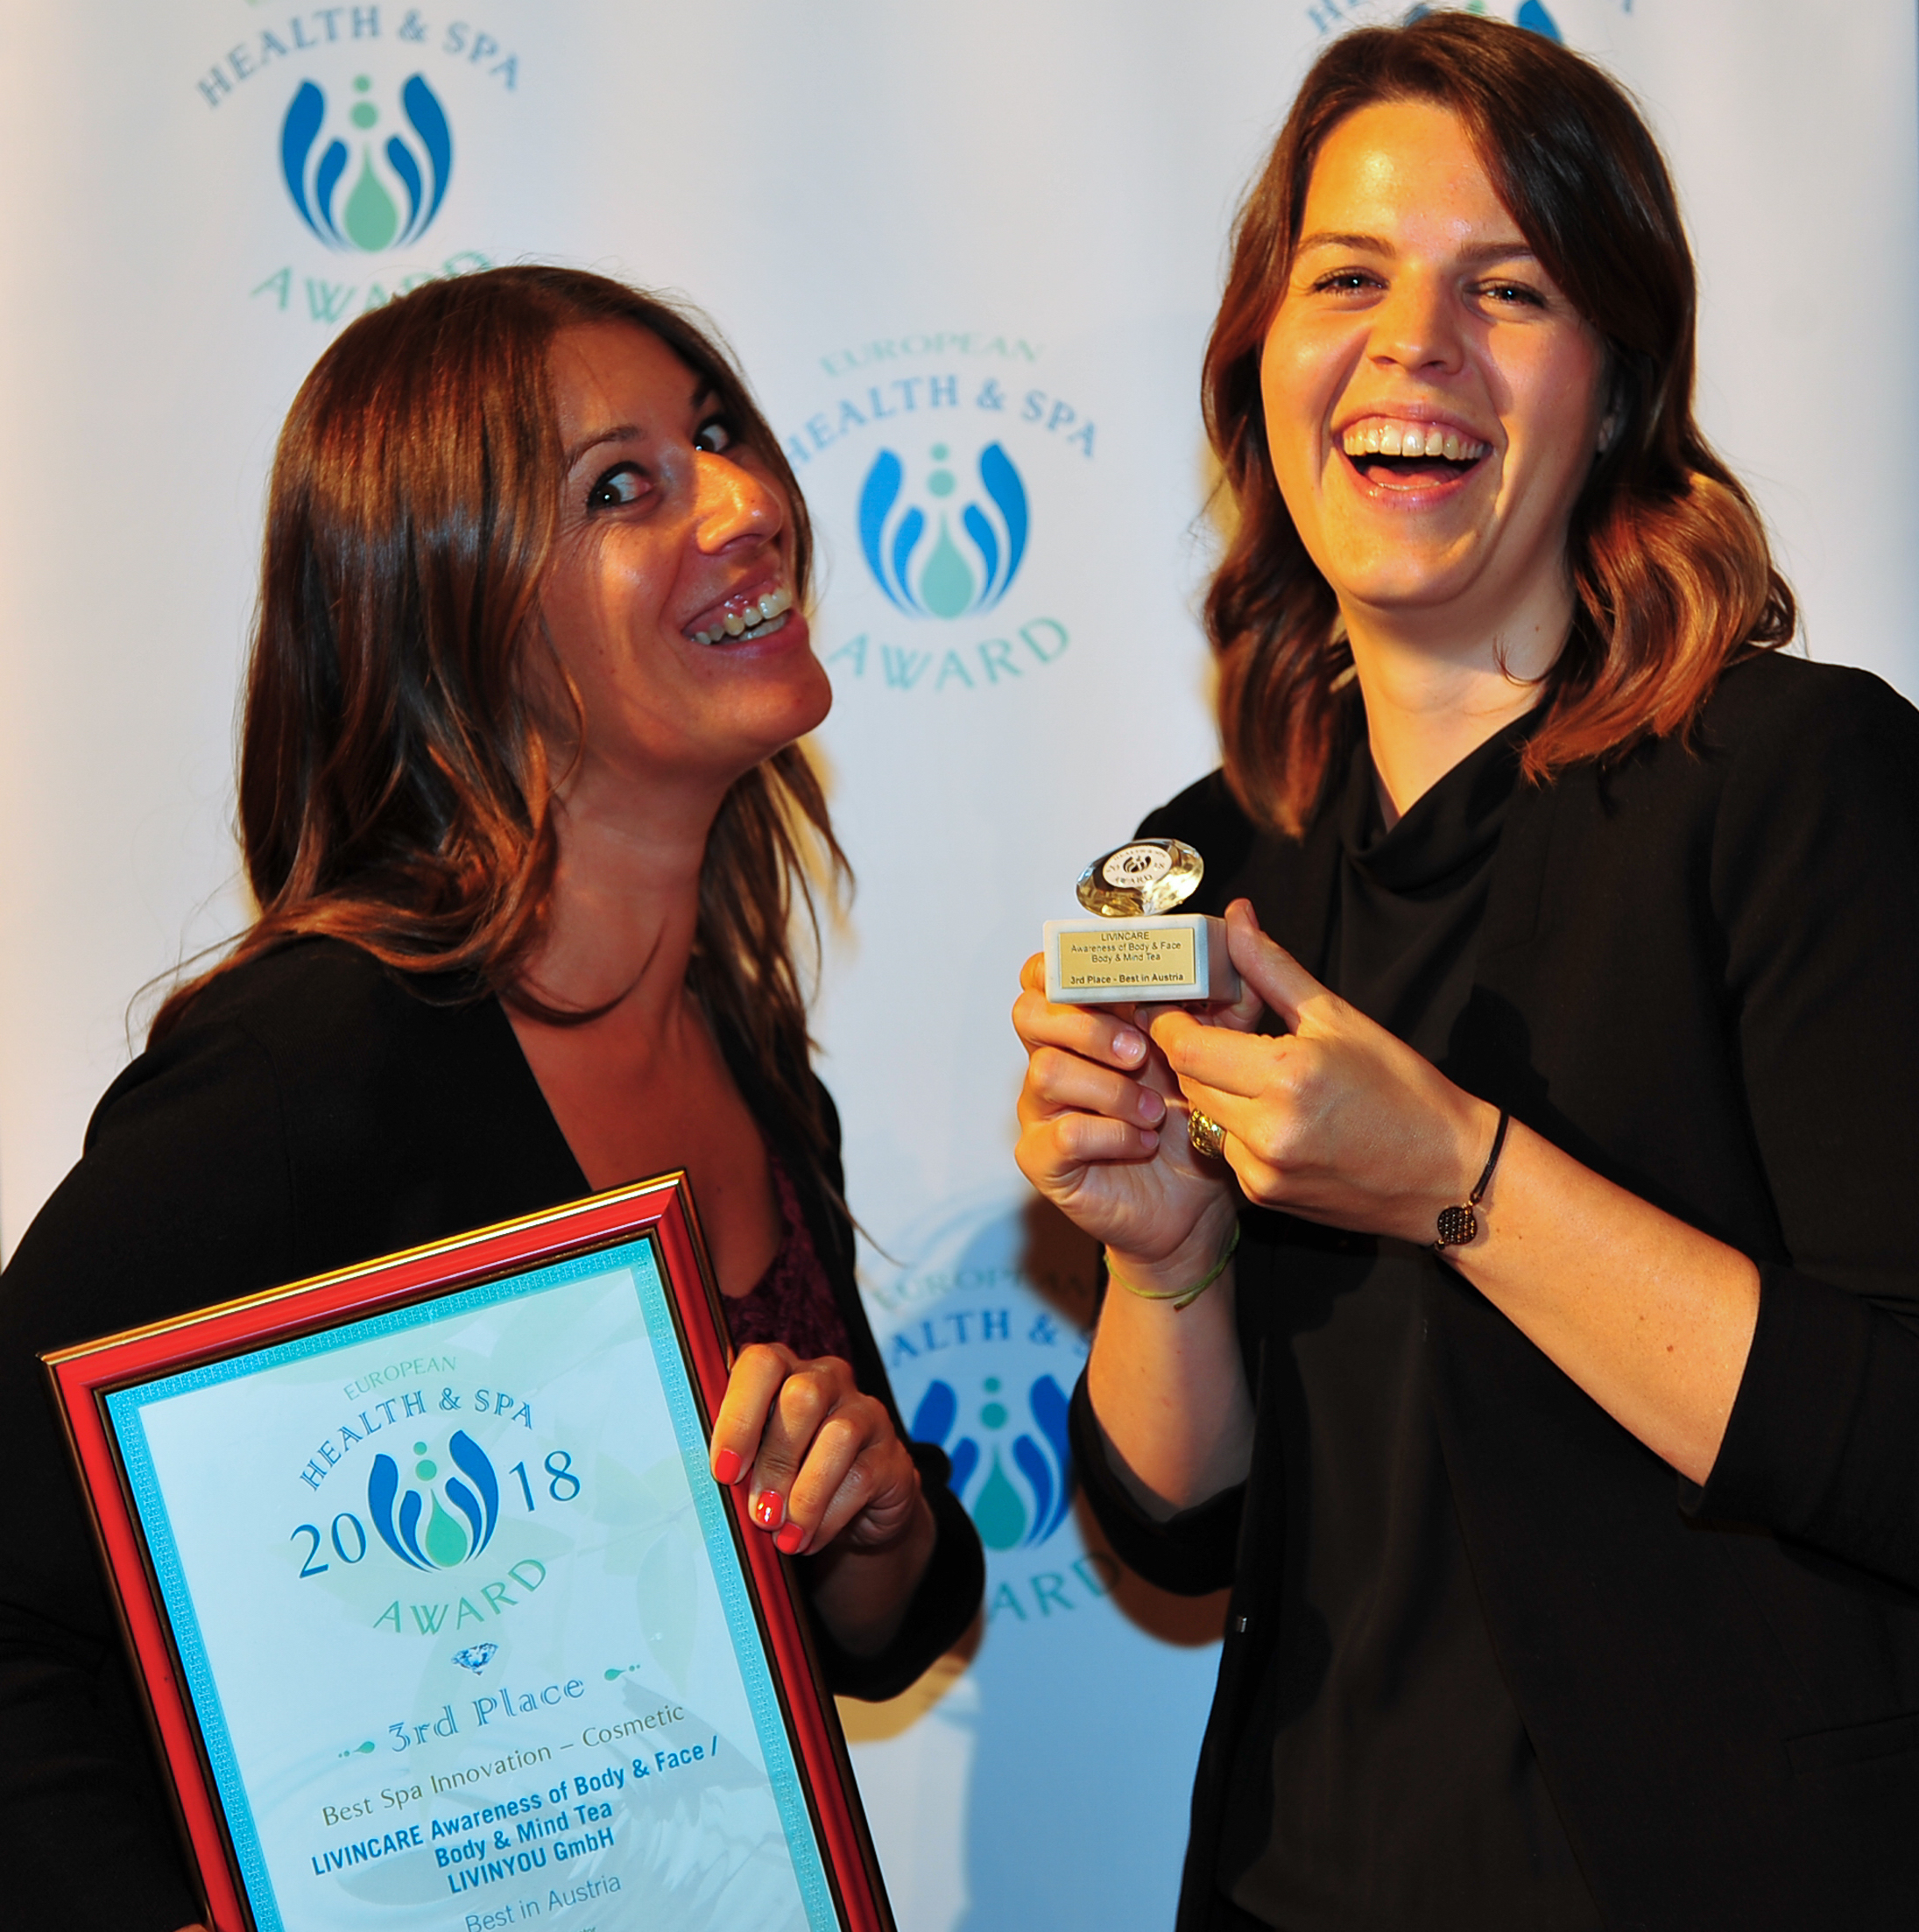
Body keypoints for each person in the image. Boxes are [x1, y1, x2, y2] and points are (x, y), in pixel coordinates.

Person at [1014, 14, 1919, 1931]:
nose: (1412, 344)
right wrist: (1163, 1259)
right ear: (1259, 360)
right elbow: (1177, 1529)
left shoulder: (1795, 781)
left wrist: (1454, 1173)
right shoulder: (1201, 865)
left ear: (1616, 384)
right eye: (1346, 278)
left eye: (1505, 288)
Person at [0, 265, 982, 1932]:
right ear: (453, 610)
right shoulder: (310, 1066)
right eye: (622, 488)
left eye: (717, 437)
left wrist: (872, 1511)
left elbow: (873, 1631)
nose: (747, 504)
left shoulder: (747, 1053)